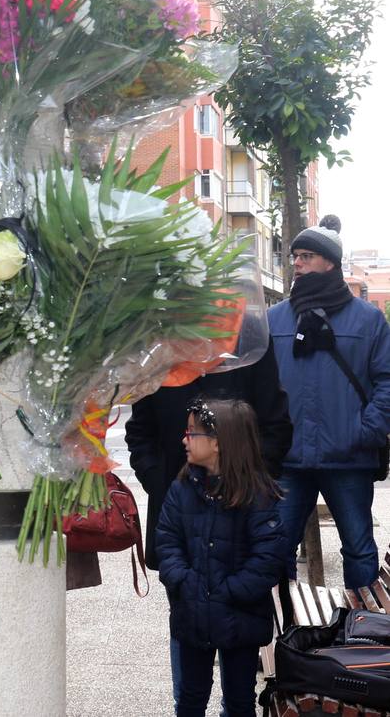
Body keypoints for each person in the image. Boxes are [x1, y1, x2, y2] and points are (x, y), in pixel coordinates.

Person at [125, 343, 291, 709]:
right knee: (187, 633)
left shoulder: (248, 345)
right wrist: (165, 486)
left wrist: (248, 486)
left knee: (239, 682)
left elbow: (276, 426)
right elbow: (140, 432)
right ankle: (185, 704)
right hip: (180, 508)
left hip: (242, 518)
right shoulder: (160, 348)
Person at [269, 225, 390, 589]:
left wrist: (364, 430)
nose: (298, 265)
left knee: (359, 550)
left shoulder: (368, 319)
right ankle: (286, 634)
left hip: (348, 457)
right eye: (295, 258)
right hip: (289, 458)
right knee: (275, 550)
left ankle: (364, 636)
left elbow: (387, 380)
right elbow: (258, 385)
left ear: (331, 263)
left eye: (307, 257)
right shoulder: (274, 319)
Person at [155, 399, 287, 717]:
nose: (184, 439)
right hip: (193, 611)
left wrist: (228, 592)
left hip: (240, 616)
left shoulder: (256, 493)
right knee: (190, 697)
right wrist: (185, 581)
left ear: (217, 443)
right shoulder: (183, 487)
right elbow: (167, 541)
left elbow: (267, 558)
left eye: (192, 433)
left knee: (240, 699)